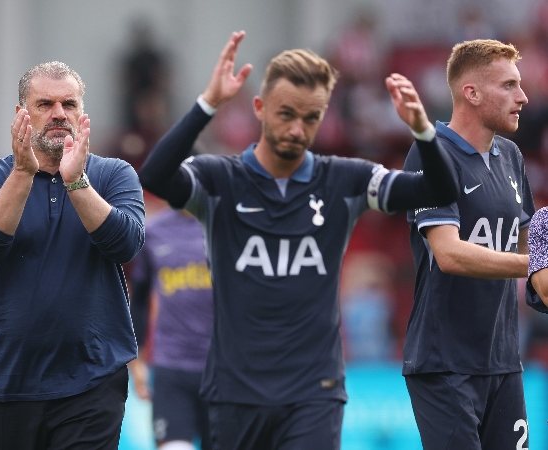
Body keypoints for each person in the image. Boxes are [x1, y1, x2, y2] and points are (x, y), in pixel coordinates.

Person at [138, 31, 459, 449]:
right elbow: (155, 176)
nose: (296, 129)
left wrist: (423, 132)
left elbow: (438, 190)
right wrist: (208, 104)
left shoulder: (346, 180)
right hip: (235, 393)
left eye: (310, 118)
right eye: (286, 114)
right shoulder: (221, 179)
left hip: (314, 391)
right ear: (260, 107)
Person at [0, 61, 145, 449]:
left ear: (81, 113)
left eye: (69, 104)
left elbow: (126, 245)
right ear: (21, 115)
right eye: (44, 104)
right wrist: (23, 173)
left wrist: (76, 182)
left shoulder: (114, 176)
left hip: (90, 381)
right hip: (2, 382)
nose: (59, 113)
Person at [401, 39, 534, 449]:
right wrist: (535, 265)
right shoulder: (431, 154)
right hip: (444, 365)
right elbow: (449, 253)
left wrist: (540, 278)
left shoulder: (511, 156)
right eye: (509, 85)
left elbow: (529, 247)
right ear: (471, 93)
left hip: (503, 361)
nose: (523, 97)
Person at [128, 207, 213, 450]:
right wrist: (138, 360)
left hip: (224, 370)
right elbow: (140, 301)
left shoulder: (228, 224)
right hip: (171, 366)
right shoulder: (153, 230)